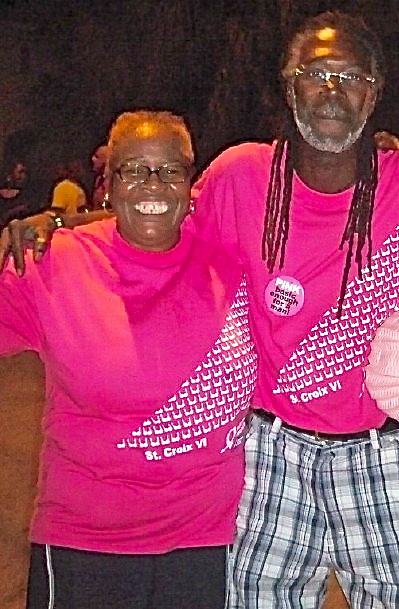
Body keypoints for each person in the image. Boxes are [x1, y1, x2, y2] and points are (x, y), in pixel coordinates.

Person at [3, 10, 399, 609]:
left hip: (378, 452)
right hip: (269, 454)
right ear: (288, 84)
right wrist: (59, 225)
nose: (332, 91)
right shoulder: (241, 178)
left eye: (350, 77)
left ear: (374, 92)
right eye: (316, 74)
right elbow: (157, 213)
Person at [0, 110, 257, 609]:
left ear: (190, 184)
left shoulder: (234, 266)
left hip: (203, 544)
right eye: (134, 170)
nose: (153, 184)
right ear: (108, 185)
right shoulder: (52, 262)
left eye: (170, 171)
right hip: (85, 543)